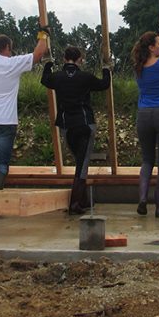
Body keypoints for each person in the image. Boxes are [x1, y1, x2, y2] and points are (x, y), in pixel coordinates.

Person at [0, 1, 48, 191]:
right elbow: (38, 54)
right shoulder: (13, 63)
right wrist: (43, 34)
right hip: (5, 121)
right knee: (0, 164)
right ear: (7, 47)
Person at [40, 46, 111, 214]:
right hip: (85, 124)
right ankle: (74, 203)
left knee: (80, 162)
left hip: (66, 125)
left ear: (64, 58)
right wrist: (106, 68)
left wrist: (48, 63)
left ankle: (83, 200)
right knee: (82, 164)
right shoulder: (85, 77)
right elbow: (104, 84)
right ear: (80, 59)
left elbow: (45, 79)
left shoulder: (57, 77)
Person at [132, 10, 159, 217]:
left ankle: (142, 199)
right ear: (151, 47)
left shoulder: (139, 68)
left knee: (147, 159)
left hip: (144, 115)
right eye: (158, 43)